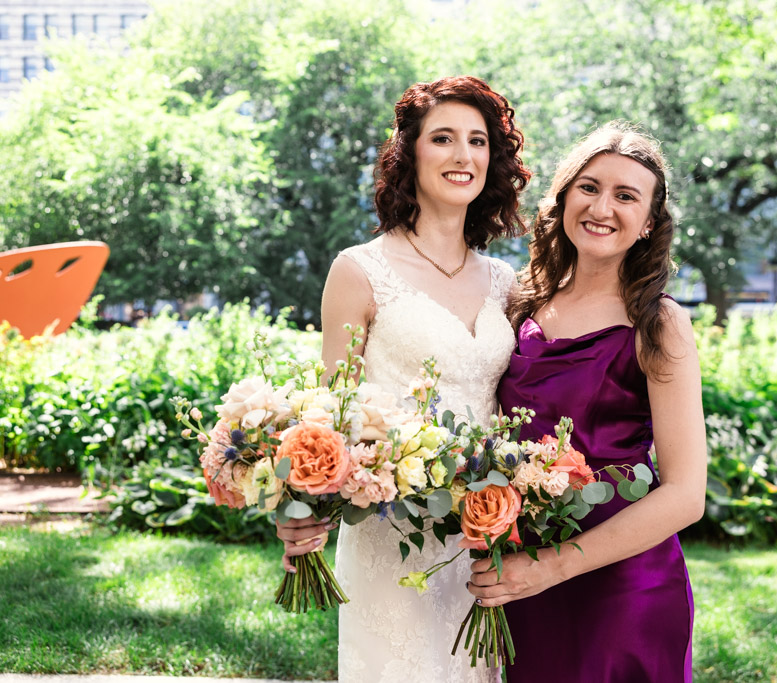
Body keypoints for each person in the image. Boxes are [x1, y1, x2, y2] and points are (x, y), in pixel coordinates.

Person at [276, 76, 530, 683]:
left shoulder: (506, 281)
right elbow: (330, 414)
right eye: (443, 138)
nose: (462, 155)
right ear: (409, 152)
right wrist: (299, 507)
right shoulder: (360, 269)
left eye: (478, 141)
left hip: (484, 526)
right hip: (389, 529)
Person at [466, 122, 707, 682]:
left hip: (623, 586)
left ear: (649, 223)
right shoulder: (523, 303)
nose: (602, 208)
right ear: (564, 197)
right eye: (589, 187)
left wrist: (551, 568)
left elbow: (686, 495)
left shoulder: (659, 322)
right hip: (522, 572)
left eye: (626, 196)